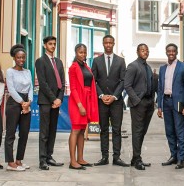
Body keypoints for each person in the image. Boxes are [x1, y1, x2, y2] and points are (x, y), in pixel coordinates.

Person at [91, 35, 129, 167]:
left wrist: (113, 96)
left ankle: (117, 157)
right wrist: (101, 95)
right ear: (103, 44)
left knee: (117, 130)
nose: (108, 45)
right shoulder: (96, 61)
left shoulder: (120, 61)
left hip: (116, 102)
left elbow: (123, 81)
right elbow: (93, 81)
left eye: (110, 43)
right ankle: (104, 157)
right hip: (101, 101)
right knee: (103, 130)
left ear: (113, 43)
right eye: (106, 43)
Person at [157, 43, 184, 169]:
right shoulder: (162, 68)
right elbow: (160, 88)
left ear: (176, 52)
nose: (171, 53)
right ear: (166, 52)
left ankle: (181, 159)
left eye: (173, 51)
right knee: (169, 131)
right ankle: (173, 156)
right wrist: (159, 106)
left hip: (178, 103)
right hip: (166, 102)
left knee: (180, 131)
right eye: (169, 51)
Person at [124, 43, 157, 170]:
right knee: (137, 131)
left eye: (147, 50)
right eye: (142, 50)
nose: (145, 52)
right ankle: (137, 159)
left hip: (149, 103)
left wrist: (153, 101)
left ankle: (135, 157)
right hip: (139, 103)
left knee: (142, 131)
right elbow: (127, 85)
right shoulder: (133, 66)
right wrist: (137, 100)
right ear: (137, 52)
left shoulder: (148, 67)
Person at [35, 36, 65, 170]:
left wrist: (59, 99)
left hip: (56, 101)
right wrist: (54, 99)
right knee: (44, 131)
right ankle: (42, 160)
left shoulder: (59, 62)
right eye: (50, 44)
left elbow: (62, 83)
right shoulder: (40, 61)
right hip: (46, 101)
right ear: (44, 45)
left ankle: (49, 156)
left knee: (53, 130)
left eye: (54, 44)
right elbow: (43, 83)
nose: (53, 46)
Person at [67, 43, 99, 170]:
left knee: (82, 130)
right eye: (81, 52)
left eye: (85, 52)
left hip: (87, 99)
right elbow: (73, 89)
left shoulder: (86, 66)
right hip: (77, 101)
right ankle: (72, 161)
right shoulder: (73, 67)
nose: (83, 54)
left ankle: (80, 158)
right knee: (75, 129)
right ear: (76, 53)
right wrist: (80, 105)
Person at [5, 44, 33, 171]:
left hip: (26, 103)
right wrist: (22, 102)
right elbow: (11, 89)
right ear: (14, 58)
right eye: (18, 57)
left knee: (24, 133)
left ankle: (19, 160)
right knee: (11, 134)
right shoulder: (10, 71)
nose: (21, 60)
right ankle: (10, 162)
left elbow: (31, 88)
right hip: (14, 103)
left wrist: (29, 102)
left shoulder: (28, 72)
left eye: (23, 57)